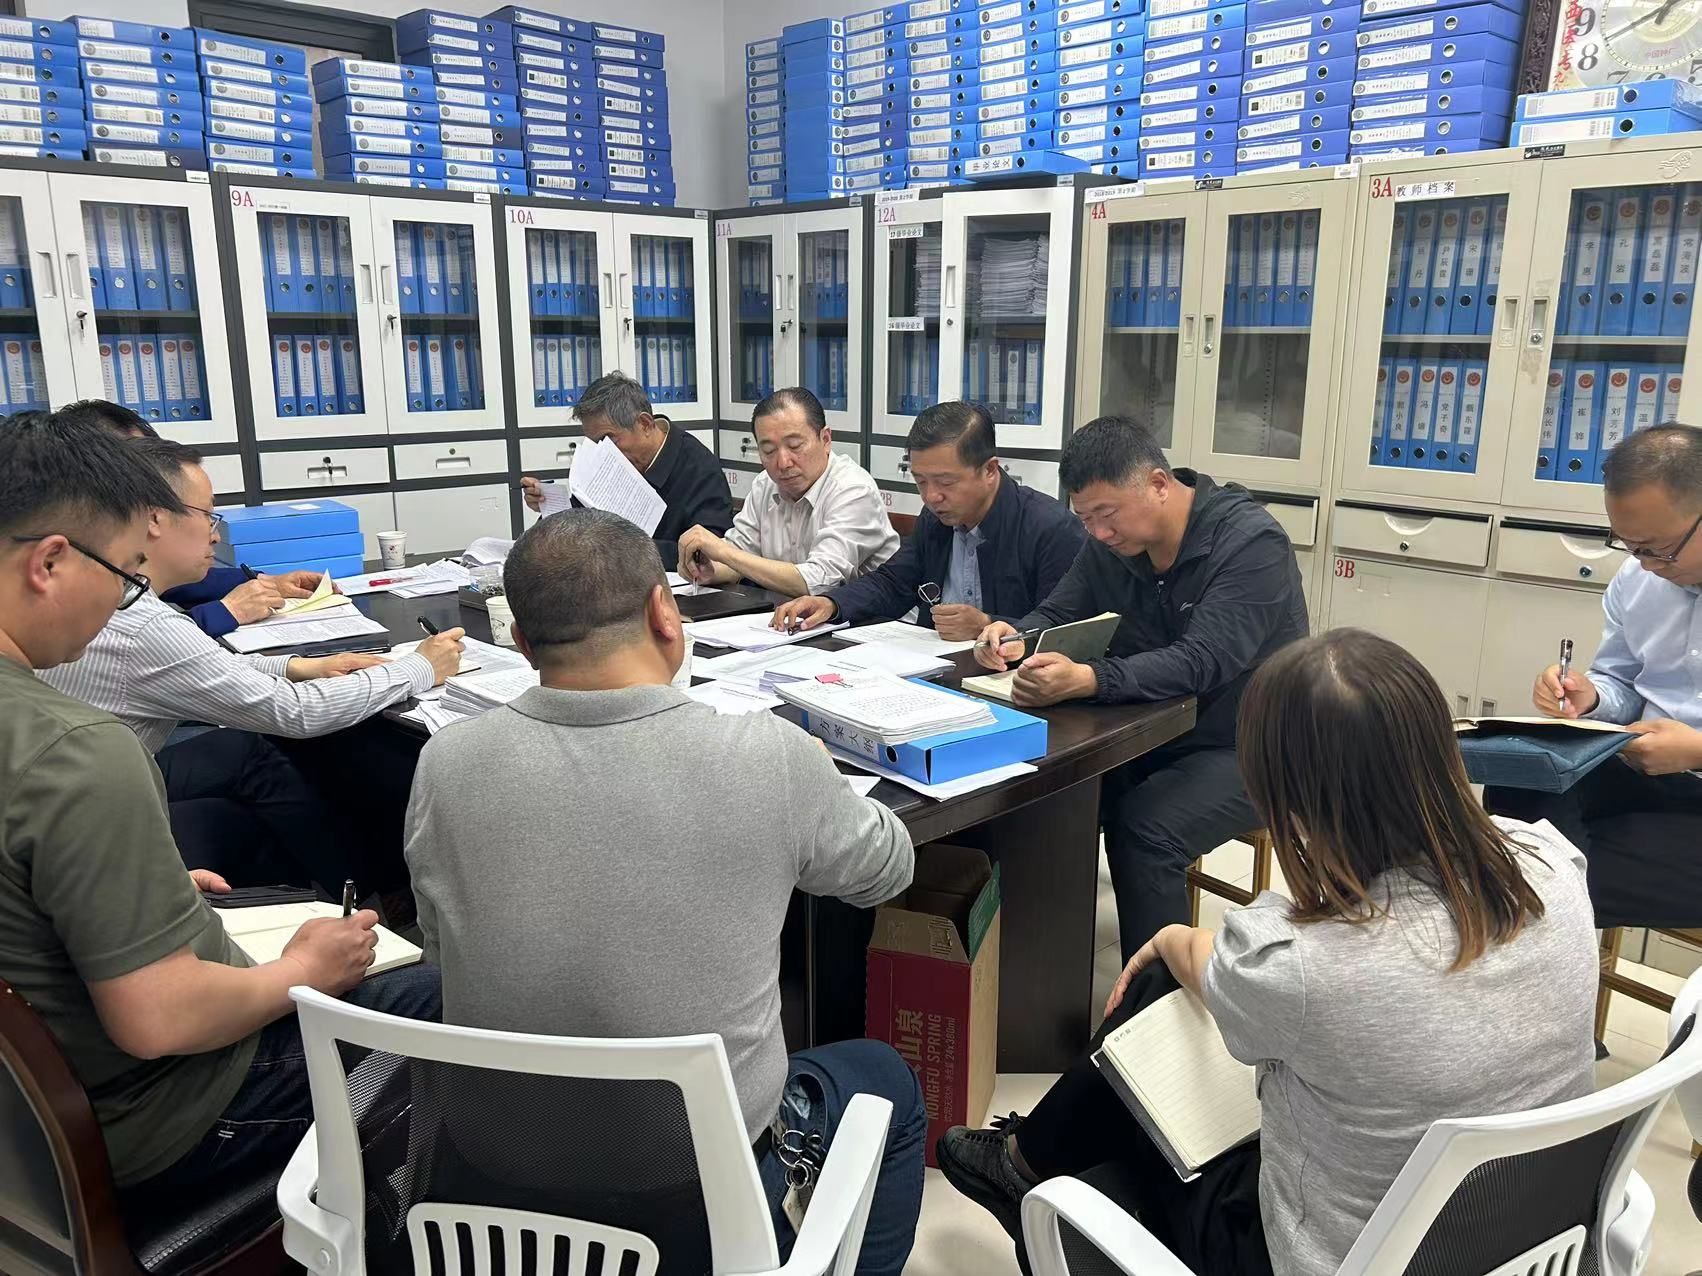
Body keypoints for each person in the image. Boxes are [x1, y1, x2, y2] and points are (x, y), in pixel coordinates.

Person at [937, 629, 1598, 1276]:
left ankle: (1025, 1167)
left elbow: (1218, 966)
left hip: (1329, 1256)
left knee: (1112, 1135)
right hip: (1533, 1238)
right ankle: (1024, 1158)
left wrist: (1166, 938)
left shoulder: (1295, 960)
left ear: (1284, 796)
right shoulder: (1554, 864)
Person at [404, 508, 925, 1275]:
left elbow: (440, 950)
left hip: (490, 1185)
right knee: (886, 1080)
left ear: (521, 642)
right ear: (664, 611)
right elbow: (889, 868)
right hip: (697, 1202)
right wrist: (821, 777)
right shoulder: (768, 756)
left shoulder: (444, 762)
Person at [0, 409, 440, 1203]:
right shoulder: (77, 751)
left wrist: (138, 889)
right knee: (447, 996)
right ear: (50, 563)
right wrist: (304, 970)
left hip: (30, 1124)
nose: (127, 600)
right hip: (153, 1117)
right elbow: (160, 1020)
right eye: (125, 576)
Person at [41, 437, 465, 892]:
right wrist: (419, 667)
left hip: (76, 790)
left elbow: (197, 666)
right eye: (208, 515)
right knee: (255, 802)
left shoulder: (118, 596)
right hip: (87, 823)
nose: (215, 534)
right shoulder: (143, 624)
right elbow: (297, 714)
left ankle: (360, 888)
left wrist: (296, 667)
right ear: (155, 519)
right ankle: (363, 898)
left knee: (249, 755)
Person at [974, 417, 1308, 960]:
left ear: (1158, 484)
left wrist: (1090, 678)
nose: (1099, 534)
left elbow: (1202, 660)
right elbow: (1059, 611)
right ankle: (1035, 984)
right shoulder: (1111, 543)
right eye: (1085, 519)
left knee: (1145, 829)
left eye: (1107, 515)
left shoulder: (1250, 543)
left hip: (1254, 744)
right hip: (1158, 729)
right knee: (1043, 795)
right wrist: (1014, 637)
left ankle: (1153, 998)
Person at [1486, 423, 1702, 929]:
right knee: (1516, 787)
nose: (1646, 566)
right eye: (1630, 546)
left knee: (1553, 879)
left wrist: (1696, 750)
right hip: (1648, 774)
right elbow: (1621, 683)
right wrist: (1591, 698)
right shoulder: (1639, 579)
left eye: (1659, 548)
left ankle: (1543, 919)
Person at [773, 401, 1086, 642]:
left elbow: (1066, 629)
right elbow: (894, 583)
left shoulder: (1050, 529)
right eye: (920, 481)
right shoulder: (936, 519)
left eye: (946, 482)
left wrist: (987, 624)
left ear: (990, 470)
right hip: (936, 668)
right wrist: (831, 603)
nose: (931, 496)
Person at [56, 398, 324, 635]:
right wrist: (227, 611)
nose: (150, 474)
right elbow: (148, 641)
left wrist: (263, 581)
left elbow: (180, 581)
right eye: (137, 461)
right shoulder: (81, 567)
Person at [676, 386, 898, 595]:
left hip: (872, 619)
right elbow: (740, 557)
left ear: (825, 439)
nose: (783, 463)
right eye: (768, 451)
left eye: (795, 446)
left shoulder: (853, 490)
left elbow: (820, 581)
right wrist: (708, 568)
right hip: (791, 615)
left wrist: (725, 553)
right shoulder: (765, 485)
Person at [518, 371, 733, 563]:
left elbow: (711, 551)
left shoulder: (700, 468)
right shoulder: (605, 462)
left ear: (645, 424)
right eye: (595, 444)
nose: (602, 452)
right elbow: (576, 524)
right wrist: (549, 506)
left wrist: (622, 547)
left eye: (609, 440)